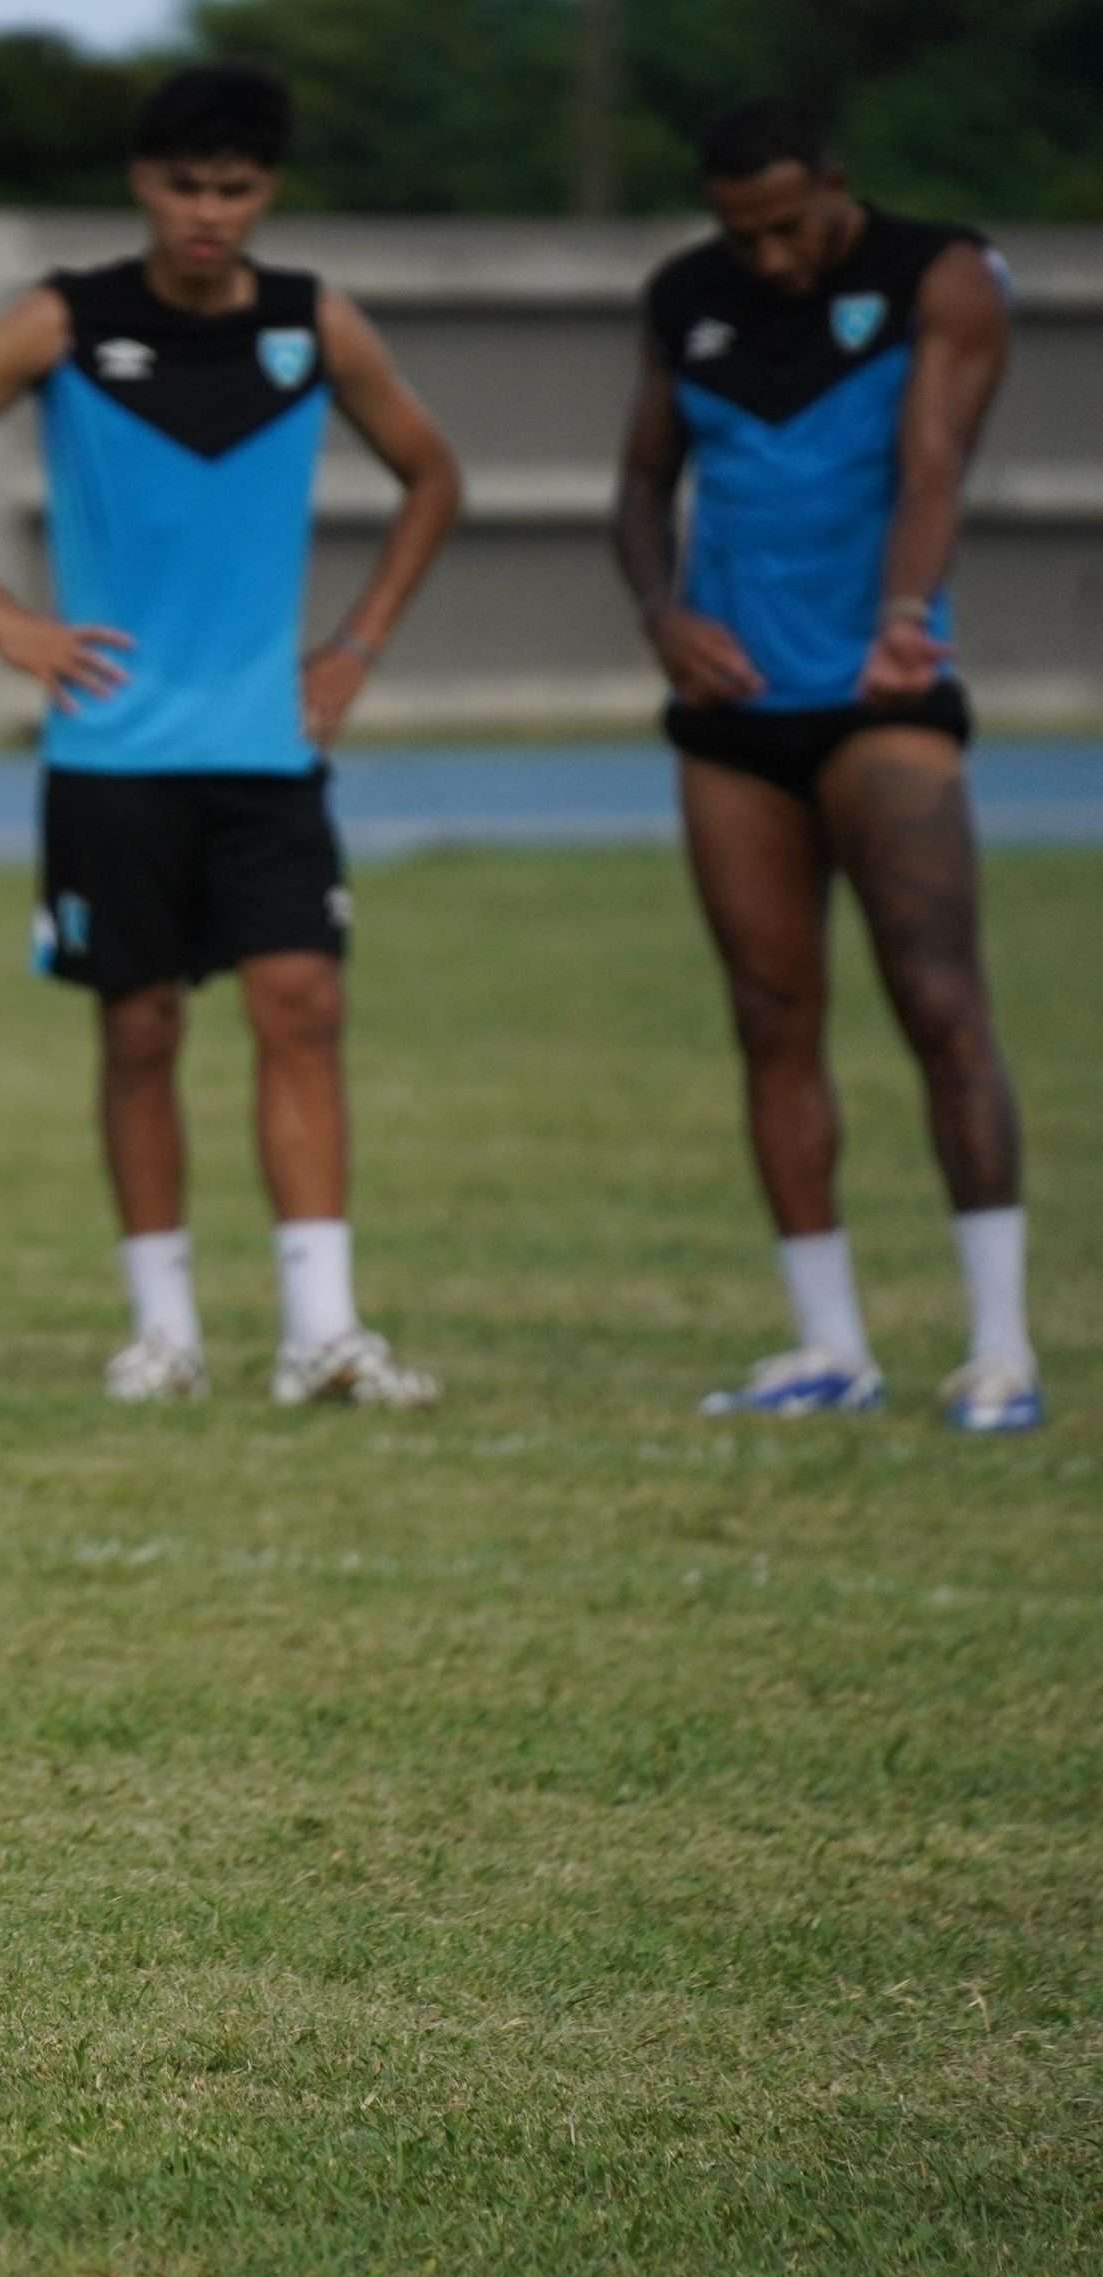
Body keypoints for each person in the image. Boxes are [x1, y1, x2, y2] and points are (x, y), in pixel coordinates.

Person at [0, 64, 464, 1409]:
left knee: (302, 1009)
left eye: (236, 189)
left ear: (268, 193)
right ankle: (165, 1332)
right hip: (110, 753)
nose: (209, 212)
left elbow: (435, 473)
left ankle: (323, 1332)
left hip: (265, 752)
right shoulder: (66, 321)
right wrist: (3, 621)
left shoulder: (314, 327)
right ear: (144, 184)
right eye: (186, 185)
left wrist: (356, 642)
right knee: (137, 1031)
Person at [613, 102, 1035, 1433]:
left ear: (838, 188)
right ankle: (827, 1344)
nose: (774, 259)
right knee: (768, 1015)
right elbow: (638, 487)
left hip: (878, 700)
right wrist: (663, 617)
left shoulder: (940, 274)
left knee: (938, 1004)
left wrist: (905, 621)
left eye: (791, 228)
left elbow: (932, 468)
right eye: (746, 234)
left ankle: (1001, 1347)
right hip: (732, 716)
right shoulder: (686, 296)